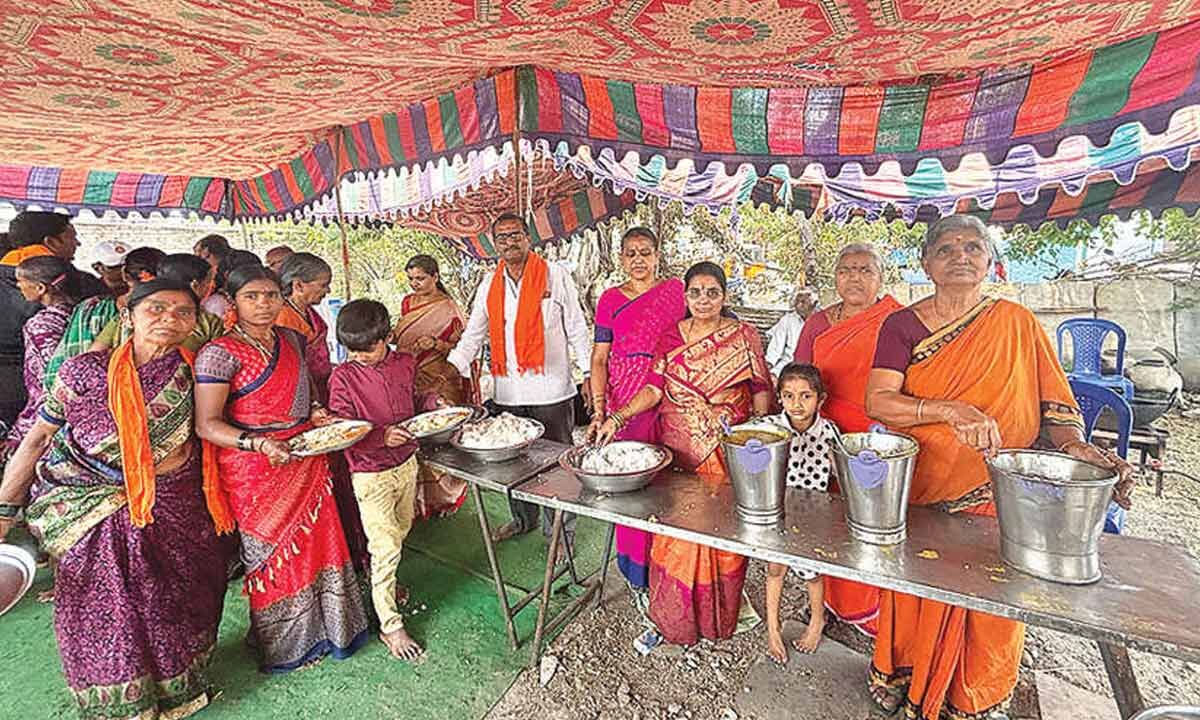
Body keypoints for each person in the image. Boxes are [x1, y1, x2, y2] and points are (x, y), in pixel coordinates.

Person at [864, 215, 1134, 719]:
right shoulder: (901, 326)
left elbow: (1056, 405)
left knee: (995, 594)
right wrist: (948, 409)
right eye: (946, 249)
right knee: (920, 584)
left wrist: (1076, 447)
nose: (960, 256)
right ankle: (904, 673)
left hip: (1002, 490)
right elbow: (878, 401)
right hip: (926, 485)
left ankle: (974, 694)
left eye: (973, 247)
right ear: (926, 263)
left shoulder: (1017, 322)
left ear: (990, 261)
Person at [0, 280, 231, 720]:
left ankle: (178, 689)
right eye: (156, 309)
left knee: (177, 597)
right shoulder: (83, 372)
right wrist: (4, 512)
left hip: (174, 504)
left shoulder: (197, 374)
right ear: (128, 316)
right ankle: (125, 705)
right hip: (87, 506)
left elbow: (217, 428)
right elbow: (37, 439)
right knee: (104, 609)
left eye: (183, 312)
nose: (170, 318)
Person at [194, 264, 368, 673]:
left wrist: (317, 412)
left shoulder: (291, 338)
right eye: (251, 296)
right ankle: (285, 645)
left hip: (304, 456)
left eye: (271, 295)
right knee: (270, 555)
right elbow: (207, 424)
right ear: (233, 301)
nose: (263, 304)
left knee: (322, 543)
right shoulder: (218, 354)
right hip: (255, 468)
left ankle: (334, 630)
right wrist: (258, 443)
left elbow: (304, 394)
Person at [595, 262, 772, 645]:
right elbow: (654, 389)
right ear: (685, 296)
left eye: (712, 292)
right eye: (696, 292)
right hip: (678, 449)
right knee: (676, 532)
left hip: (727, 447)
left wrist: (757, 433)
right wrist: (618, 417)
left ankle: (718, 616)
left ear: (724, 296)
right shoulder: (670, 337)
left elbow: (760, 385)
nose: (704, 300)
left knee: (722, 530)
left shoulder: (743, 335)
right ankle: (675, 619)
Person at [448, 213, 592, 555]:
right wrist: (451, 368)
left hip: (552, 389)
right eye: (502, 237)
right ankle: (523, 519)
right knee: (513, 464)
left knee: (556, 464)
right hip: (508, 391)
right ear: (494, 244)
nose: (509, 242)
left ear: (528, 238)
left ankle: (561, 531)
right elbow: (474, 333)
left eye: (515, 235)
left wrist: (589, 373)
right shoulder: (489, 283)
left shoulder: (554, 275)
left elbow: (576, 326)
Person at [792, 242, 902, 638]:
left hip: (877, 442)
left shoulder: (898, 321)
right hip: (821, 441)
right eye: (846, 269)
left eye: (865, 269)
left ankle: (872, 610)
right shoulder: (818, 323)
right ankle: (826, 604)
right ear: (835, 277)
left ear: (881, 277)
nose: (855, 277)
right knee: (824, 523)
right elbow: (798, 377)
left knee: (870, 524)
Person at [329, 300, 436, 661]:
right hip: (370, 472)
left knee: (400, 531)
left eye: (367, 349)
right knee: (386, 546)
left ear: (387, 337)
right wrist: (379, 437)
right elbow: (343, 427)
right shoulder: (343, 377)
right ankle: (390, 625)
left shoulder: (405, 362)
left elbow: (413, 398)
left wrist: (432, 402)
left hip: (406, 463)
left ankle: (385, 581)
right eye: (352, 350)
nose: (360, 357)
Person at [585, 227, 686, 609]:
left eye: (645, 252)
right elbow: (599, 358)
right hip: (624, 403)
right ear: (621, 258)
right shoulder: (610, 299)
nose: (638, 259)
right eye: (631, 253)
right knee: (631, 488)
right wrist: (600, 410)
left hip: (671, 398)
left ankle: (673, 569)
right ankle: (637, 573)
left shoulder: (677, 292)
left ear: (658, 255)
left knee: (671, 487)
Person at [274, 252, 368, 566]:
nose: (327, 291)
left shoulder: (307, 311)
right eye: (323, 284)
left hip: (324, 392)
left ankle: (353, 544)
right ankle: (338, 550)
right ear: (298, 285)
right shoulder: (281, 318)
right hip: (302, 402)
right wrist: (313, 404)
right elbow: (294, 370)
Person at [760, 364, 839, 663]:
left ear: (821, 399)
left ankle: (817, 620)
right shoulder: (769, 428)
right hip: (777, 513)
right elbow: (751, 460)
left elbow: (841, 470)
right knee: (774, 570)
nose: (797, 404)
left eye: (806, 396)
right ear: (779, 397)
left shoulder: (829, 432)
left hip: (812, 518)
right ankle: (773, 629)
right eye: (789, 395)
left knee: (812, 574)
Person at [391, 254, 474, 517]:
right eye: (411, 279)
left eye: (421, 278)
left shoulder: (449, 308)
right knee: (417, 435)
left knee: (441, 434)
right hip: (410, 376)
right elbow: (401, 337)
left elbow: (464, 349)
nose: (415, 284)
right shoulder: (407, 302)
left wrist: (436, 344)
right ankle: (422, 500)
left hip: (440, 377)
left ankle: (448, 496)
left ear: (435, 277)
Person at [42, 247, 165, 392]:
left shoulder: (91, 308)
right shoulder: (172, 314)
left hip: (89, 391)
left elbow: (74, 356)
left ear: (124, 275)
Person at [5, 257, 81, 454]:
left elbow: (45, 382)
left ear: (40, 288)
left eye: (21, 281)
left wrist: (23, 431)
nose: (18, 286)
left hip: (51, 417)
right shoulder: (83, 313)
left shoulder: (41, 326)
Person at [90, 253, 225, 353]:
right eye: (209, 281)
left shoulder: (133, 312)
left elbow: (95, 353)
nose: (212, 285)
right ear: (195, 285)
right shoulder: (208, 322)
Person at [765, 287, 817, 376]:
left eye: (803, 302)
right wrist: (768, 364)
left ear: (814, 303)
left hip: (813, 365)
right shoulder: (787, 319)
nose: (799, 305)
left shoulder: (823, 319)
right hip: (789, 363)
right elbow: (776, 347)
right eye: (797, 302)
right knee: (773, 377)